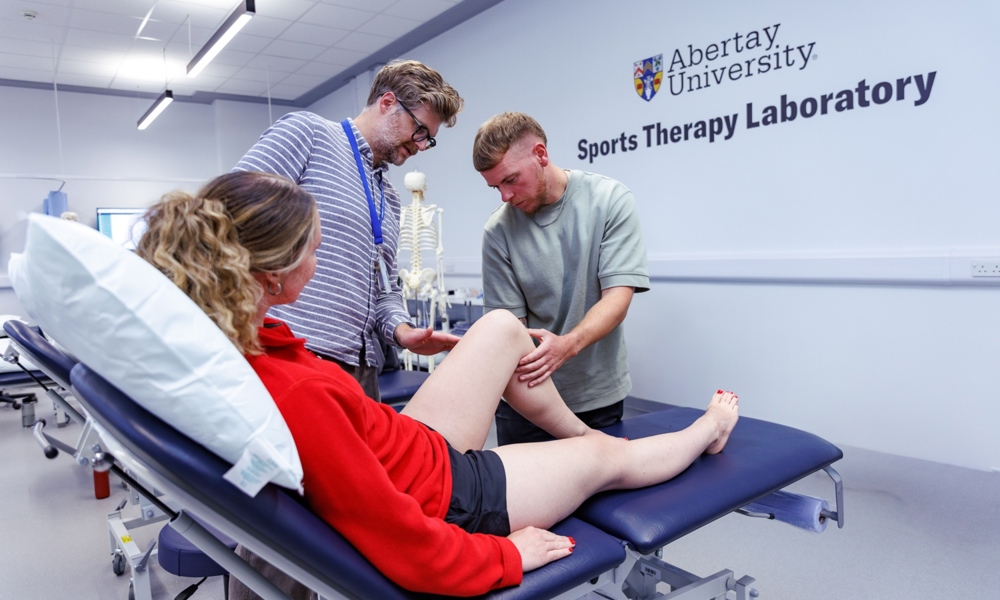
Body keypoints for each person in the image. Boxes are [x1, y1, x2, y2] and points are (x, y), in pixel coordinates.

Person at [136, 171, 739, 597]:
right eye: (315, 250)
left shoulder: (241, 338)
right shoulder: (296, 397)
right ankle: (704, 430)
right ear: (272, 273)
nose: (319, 262)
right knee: (609, 458)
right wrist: (505, 555)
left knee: (501, 328)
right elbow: (402, 541)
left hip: (409, 445)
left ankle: (579, 441)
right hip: (451, 496)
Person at [233, 59, 463, 402]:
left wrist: (403, 332)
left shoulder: (388, 197)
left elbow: (385, 288)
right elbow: (228, 212)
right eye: (419, 130)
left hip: (362, 368)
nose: (420, 145)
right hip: (294, 353)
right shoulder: (309, 135)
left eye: (428, 139)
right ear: (388, 103)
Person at [474, 112, 650, 444]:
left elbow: (617, 298)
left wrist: (566, 346)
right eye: (496, 186)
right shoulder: (498, 231)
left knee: (603, 477)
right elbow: (511, 329)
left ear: (540, 154)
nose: (505, 196)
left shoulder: (609, 200)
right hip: (527, 401)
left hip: (596, 396)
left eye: (510, 180)